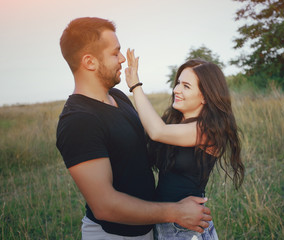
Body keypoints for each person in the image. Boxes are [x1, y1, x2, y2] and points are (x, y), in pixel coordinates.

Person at [56, 17, 212, 239]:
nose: (122, 59)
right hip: (114, 235)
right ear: (89, 62)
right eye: (114, 53)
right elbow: (105, 206)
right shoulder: (78, 121)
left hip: (150, 228)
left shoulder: (118, 97)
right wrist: (175, 212)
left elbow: (145, 151)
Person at [125, 49, 245, 239]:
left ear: (205, 96)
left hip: (185, 229)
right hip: (166, 220)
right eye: (178, 83)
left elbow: (157, 131)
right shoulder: (176, 123)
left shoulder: (209, 131)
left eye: (186, 86)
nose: (176, 90)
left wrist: (135, 86)